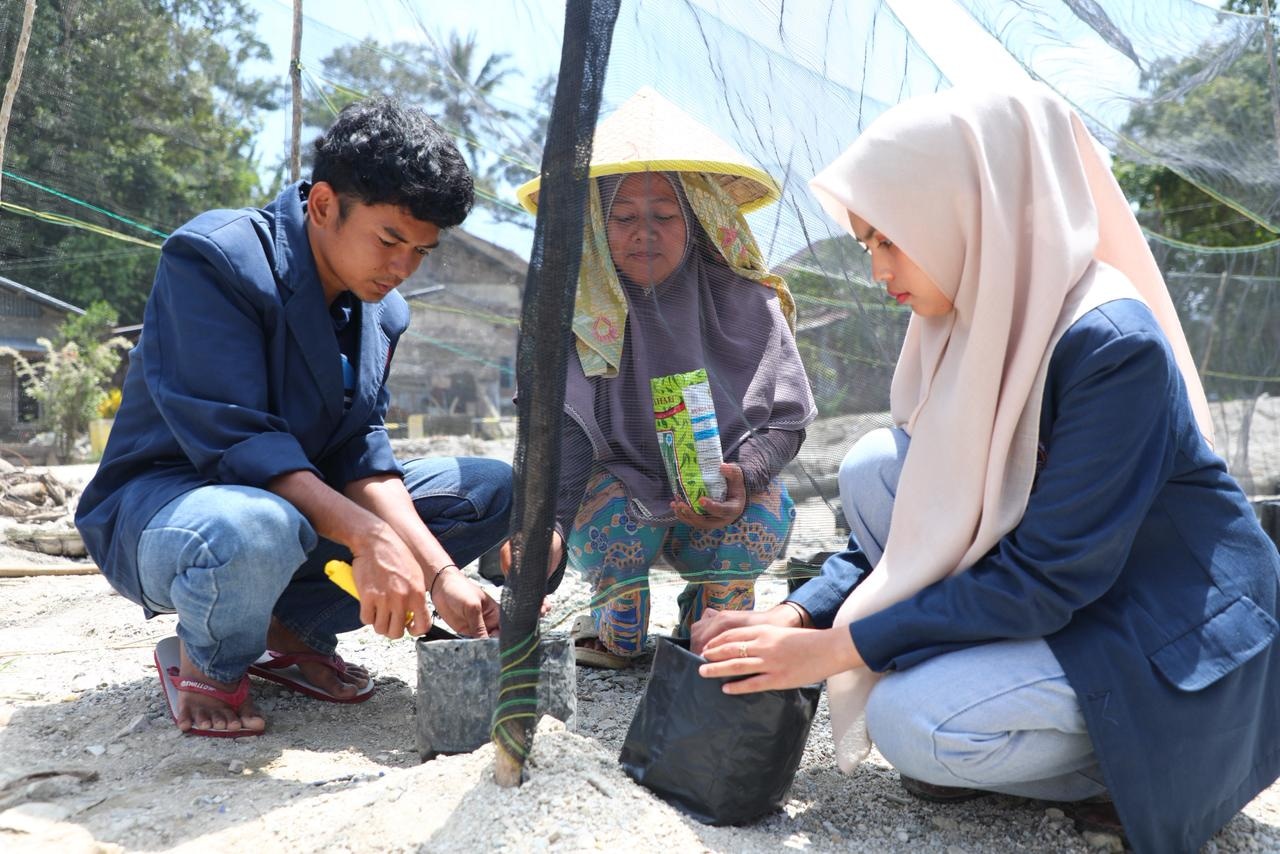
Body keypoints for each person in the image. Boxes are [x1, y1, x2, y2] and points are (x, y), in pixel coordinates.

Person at [692, 84, 1280, 853]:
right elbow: (915, 529)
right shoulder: (975, 313)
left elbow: (1047, 577)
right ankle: (1013, 715)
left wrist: (838, 651)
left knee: (913, 721)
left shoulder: (1110, 344)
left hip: (1157, 624)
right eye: (868, 243)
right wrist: (797, 615)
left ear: (967, 210)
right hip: (1075, 595)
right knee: (876, 465)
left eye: (889, 240)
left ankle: (1130, 766)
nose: (877, 269)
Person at [75, 97, 512, 738]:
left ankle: (288, 629)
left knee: (488, 488)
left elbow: (361, 452)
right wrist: (367, 538)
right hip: (173, 511)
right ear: (325, 204)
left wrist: (441, 574)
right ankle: (211, 664)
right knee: (257, 526)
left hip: (293, 513)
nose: (402, 268)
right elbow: (241, 444)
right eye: (390, 239)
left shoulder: (383, 313)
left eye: (421, 251)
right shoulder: (214, 258)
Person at [512, 89, 816, 669]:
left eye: (664, 215)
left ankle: (713, 620)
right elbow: (565, 429)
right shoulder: (574, 312)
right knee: (604, 522)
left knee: (767, 509)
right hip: (619, 499)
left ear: (698, 219)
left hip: (717, 499)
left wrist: (743, 477)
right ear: (598, 227)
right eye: (623, 217)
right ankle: (616, 627)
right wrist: (546, 527)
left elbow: (785, 418)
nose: (643, 231)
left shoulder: (746, 299)